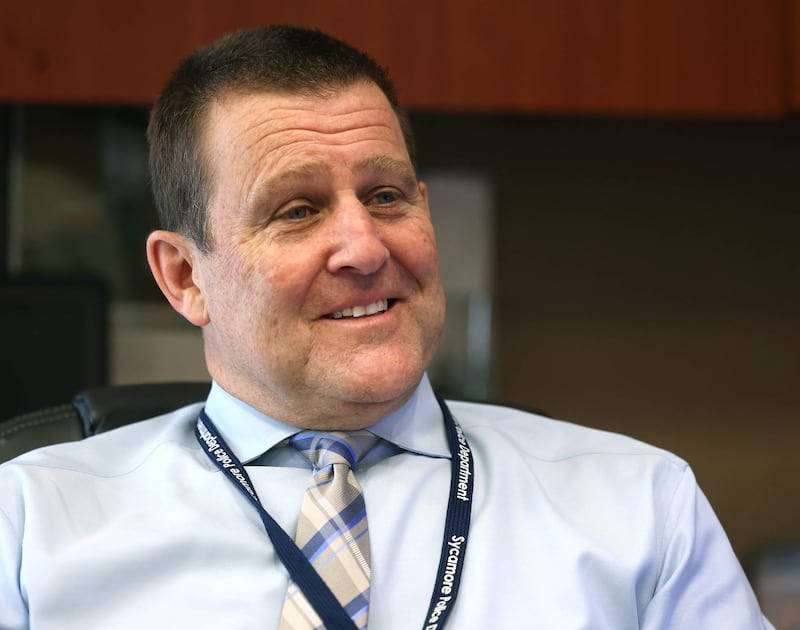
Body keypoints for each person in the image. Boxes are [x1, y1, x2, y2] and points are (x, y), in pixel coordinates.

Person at [0, 25, 774, 629]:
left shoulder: (640, 508)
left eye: (386, 196)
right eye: (297, 210)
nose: (366, 248)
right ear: (183, 277)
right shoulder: (30, 528)